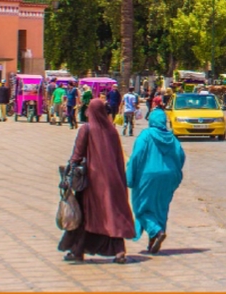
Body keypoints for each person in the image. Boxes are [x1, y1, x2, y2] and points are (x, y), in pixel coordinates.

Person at [58, 100, 136, 264]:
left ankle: (77, 251)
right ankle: (119, 251)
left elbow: (77, 155)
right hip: (114, 180)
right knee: (112, 214)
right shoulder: (112, 131)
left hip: (93, 182)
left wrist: (68, 172)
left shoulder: (86, 129)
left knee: (86, 215)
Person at [127, 107, 185, 254]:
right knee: (161, 207)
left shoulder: (146, 135)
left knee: (141, 207)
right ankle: (153, 241)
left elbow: (136, 157)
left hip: (148, 176)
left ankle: (156, 232)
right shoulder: (172, 138)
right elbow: (181, 156)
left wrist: (130, 177)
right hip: (169, 177)